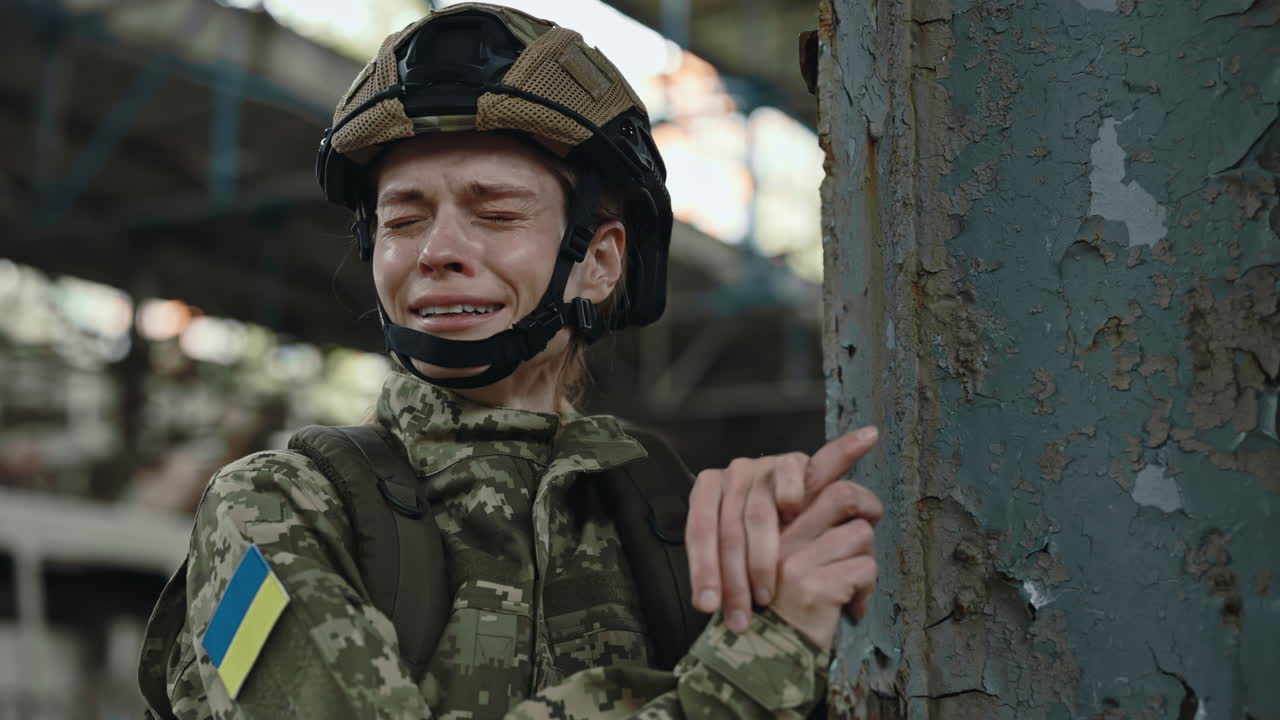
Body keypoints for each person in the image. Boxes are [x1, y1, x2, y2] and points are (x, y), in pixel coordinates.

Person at [137, 4, 882, 718]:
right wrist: (764, 661)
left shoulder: (667, 516)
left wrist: (779, 563)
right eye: (403, 219)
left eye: (495, 213)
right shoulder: (277, 509)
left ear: (598, 262)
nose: (436, 252)